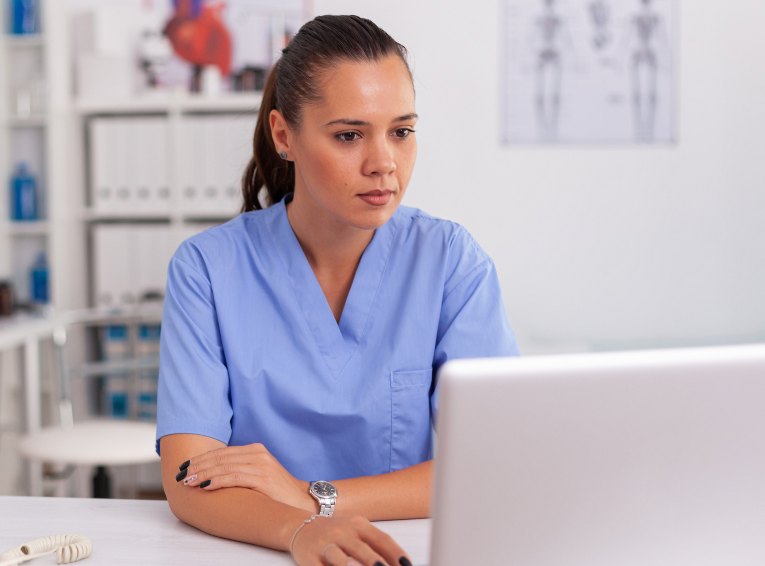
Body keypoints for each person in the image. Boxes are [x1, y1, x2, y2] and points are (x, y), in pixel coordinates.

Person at [157, 14, 519, 566]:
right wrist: (299, 532)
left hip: (403, 550)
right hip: (253, 551)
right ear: (285, 136)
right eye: (349, 135)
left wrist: (313, 499)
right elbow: (188, 476)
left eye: (401, 131)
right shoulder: (208, 269)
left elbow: (494, 465)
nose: (384, 164)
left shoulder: (449, 263)